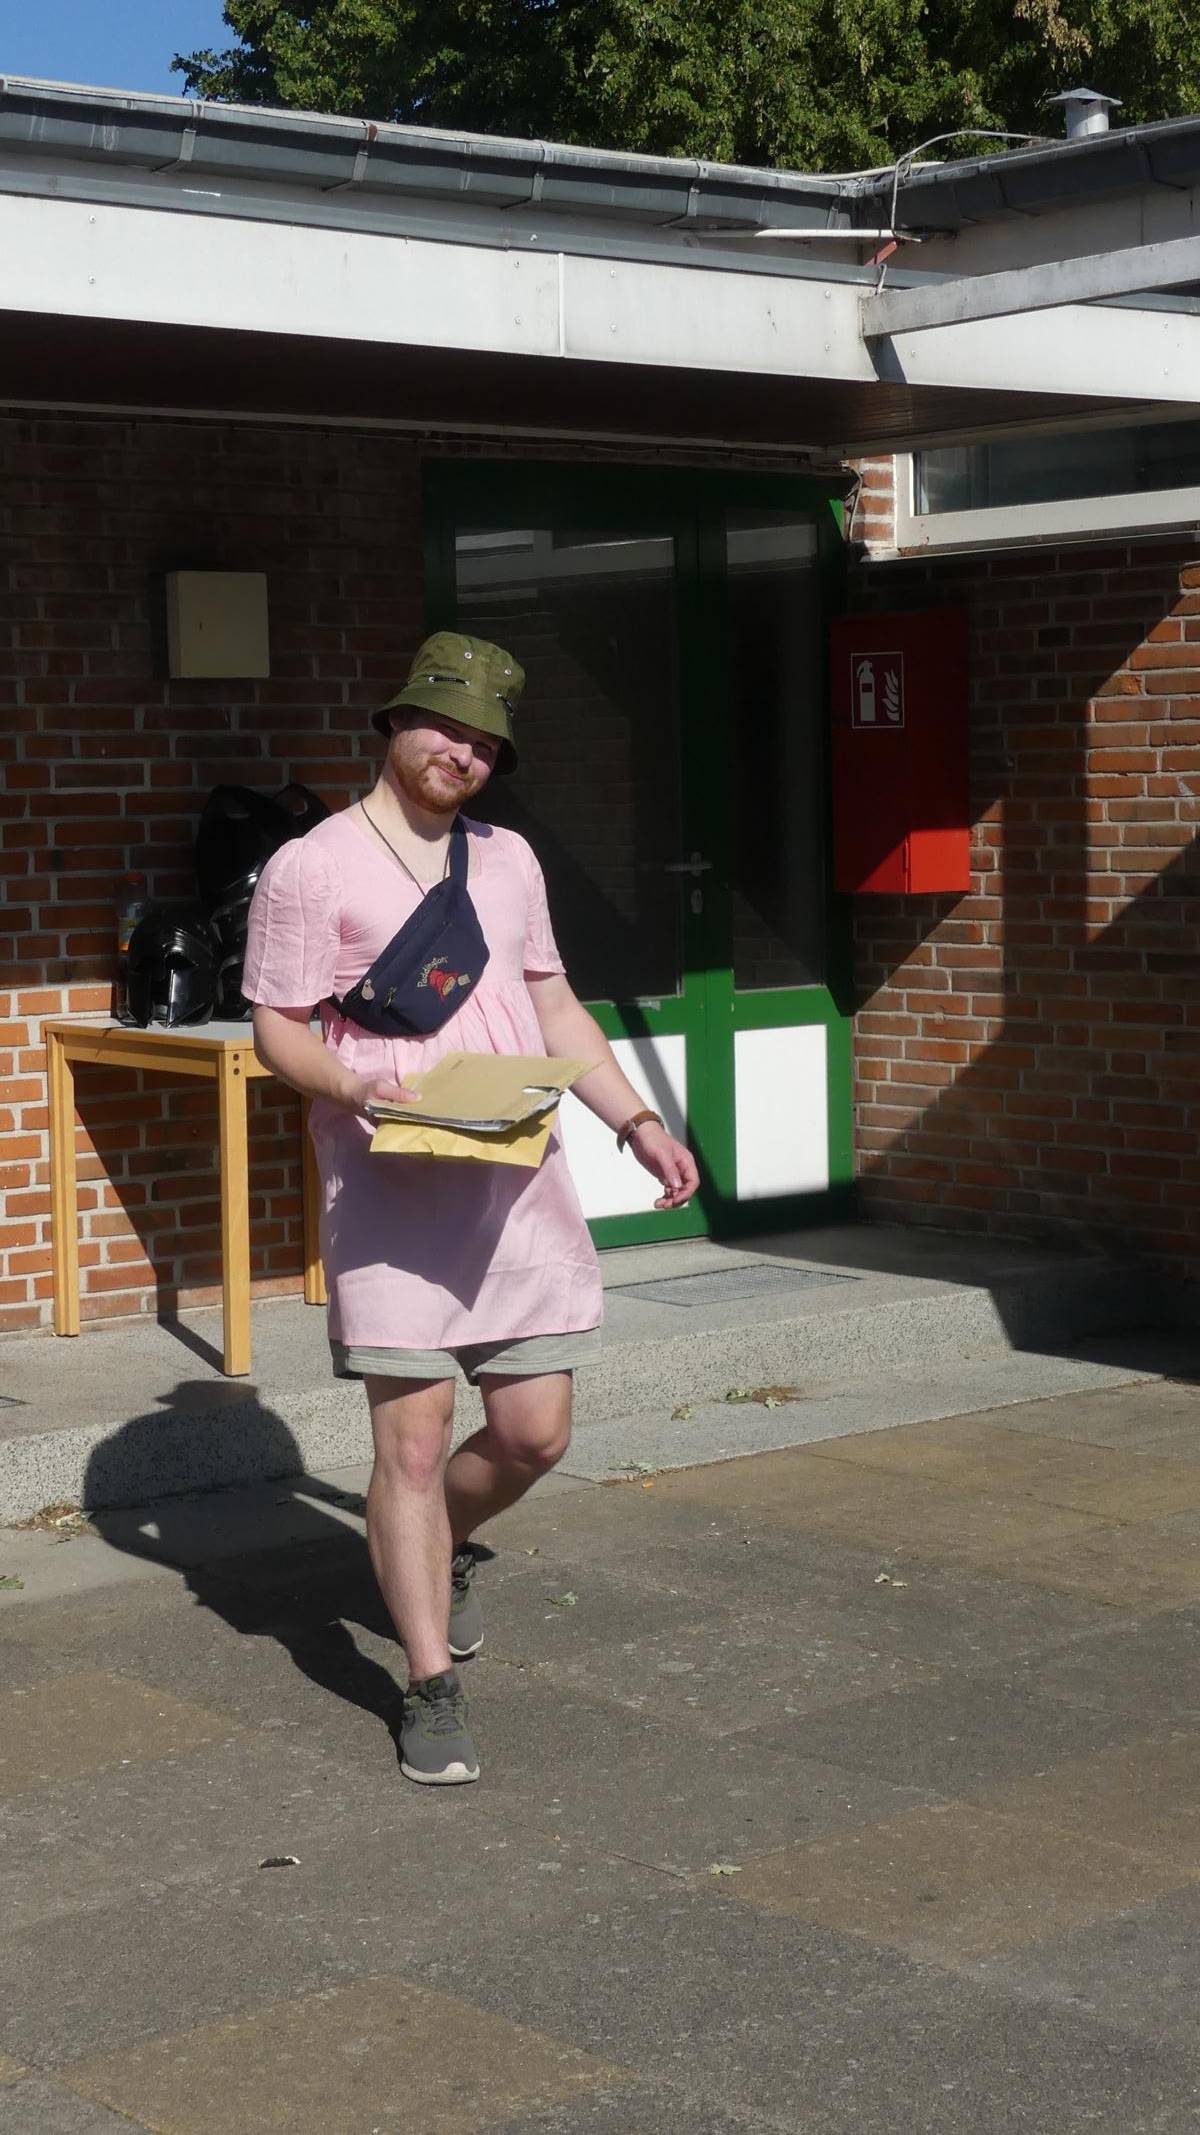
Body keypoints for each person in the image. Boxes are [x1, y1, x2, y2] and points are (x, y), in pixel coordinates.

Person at [243, 632, 699, 1786]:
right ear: (396, 723)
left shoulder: (509, 860)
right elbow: (279, 1025)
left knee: (537, 1431)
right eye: (447, 728)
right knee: (410, 1440)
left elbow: (554, 1003)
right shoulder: (311, 865)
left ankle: (436, 1542)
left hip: (513, 1176)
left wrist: (638, 1120)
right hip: (389, 1181)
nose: (465, 753)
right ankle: (428, 1679)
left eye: (487, 742)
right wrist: (354, 1085)